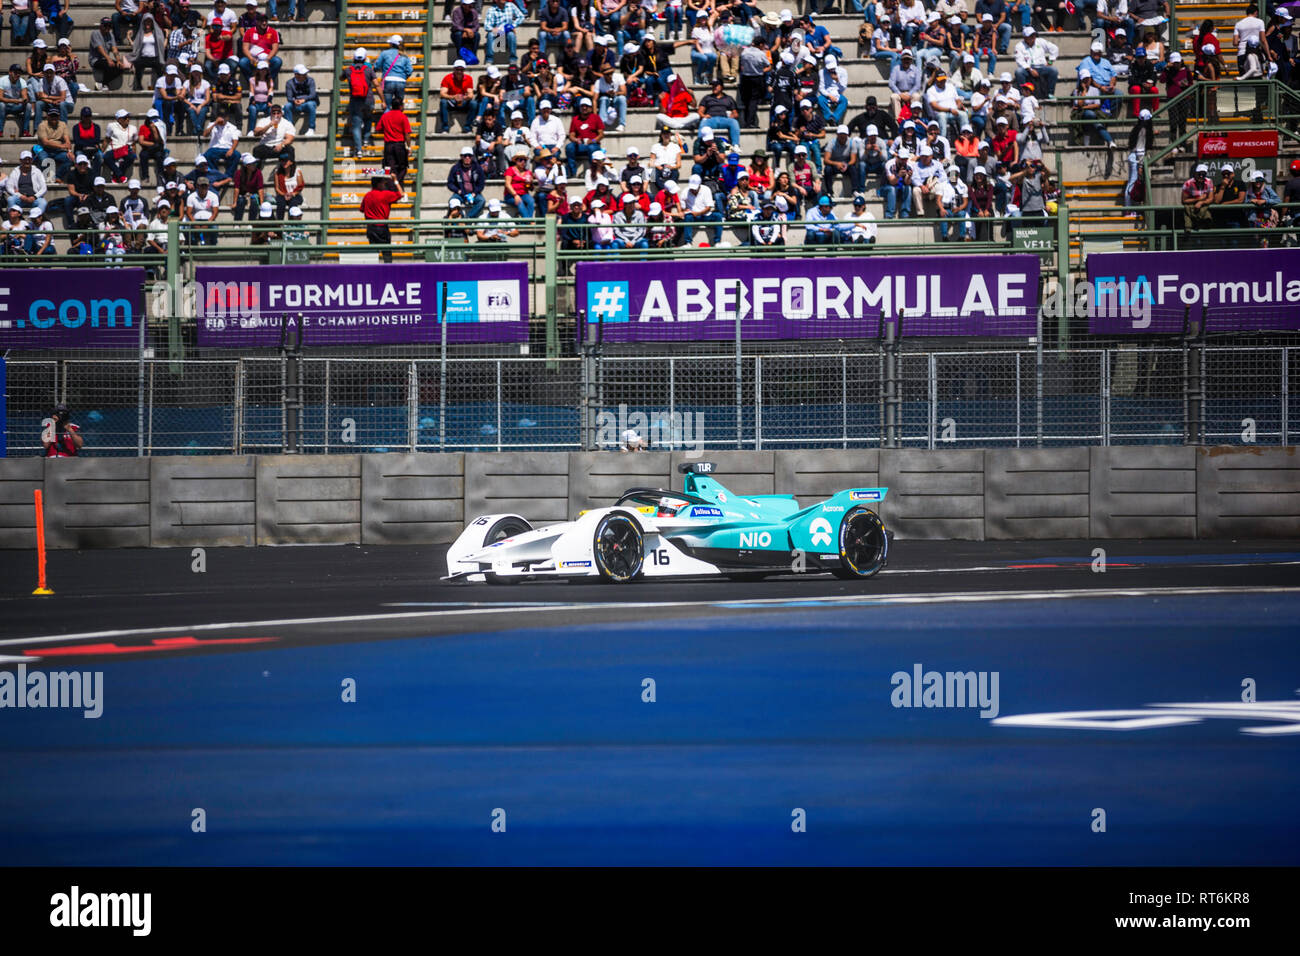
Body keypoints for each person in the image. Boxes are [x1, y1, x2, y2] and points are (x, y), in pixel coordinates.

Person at [361, 172, 404, 261]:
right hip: (382, 227)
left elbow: (362, 209)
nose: (385, 185)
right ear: (378, 184)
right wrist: (395, 180)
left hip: (371, 227)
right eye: (383, 183)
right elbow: (401, 194)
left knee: (372, 254)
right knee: (387, 254)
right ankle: (388, 272)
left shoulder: (367, 196)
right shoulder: (385, 194)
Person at [344, 48, 377, 151]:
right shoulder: (369, 70)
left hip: (355, 101)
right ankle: (366, 139)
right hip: (368, 100)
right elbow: (377, 84)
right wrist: (383, 99)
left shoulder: (348, 70)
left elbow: (341, 78)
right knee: (368, 119)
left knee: (356, 126)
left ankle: (358, 150)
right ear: (365, 58)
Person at [376, 94, 411, 185]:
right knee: (402, 166)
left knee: (390, 167)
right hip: (399, 145)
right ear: (400, 106)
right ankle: (397, 184)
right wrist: (409, 146)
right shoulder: (403, 117)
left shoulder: (385, 116)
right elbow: (407, 134)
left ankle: (391, 184)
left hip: (388, 145)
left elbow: (378, 129)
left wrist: (388, 132)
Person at [374, 33, 413, 110]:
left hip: (388, 80)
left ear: (391, 44)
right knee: (399, 107)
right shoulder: (404, 55)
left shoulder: (384, 53)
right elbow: (409, 70)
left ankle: (387, 120)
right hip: (401, 81)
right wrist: (403, 76)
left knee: (387, 106)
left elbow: (376, 66)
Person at [438, 58, 475, 134]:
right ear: (454, 69)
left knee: (474, 104)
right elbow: (442, 93)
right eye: (457, 69)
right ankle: (445, 128)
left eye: (461, 70)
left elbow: (471, 94)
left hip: (463, 102)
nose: (459, 72)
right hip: (452, 101)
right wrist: (454, 97)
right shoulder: (447, 78)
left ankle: (468, 127)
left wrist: (463, 98)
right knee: (443, 102)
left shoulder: (468, 78)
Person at [283, 63, 317, 135]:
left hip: (307, 103)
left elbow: (313, 95)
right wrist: (294, 101)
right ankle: (290, 128)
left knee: (311, 104)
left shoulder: (311, 80)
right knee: (287, 106)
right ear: (296, 75)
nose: (305, 75)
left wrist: (303, 100)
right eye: (303, 74)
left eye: (305, 73)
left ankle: (311, 128)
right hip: (296, 104)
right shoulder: (289, 83)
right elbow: (289, 97)